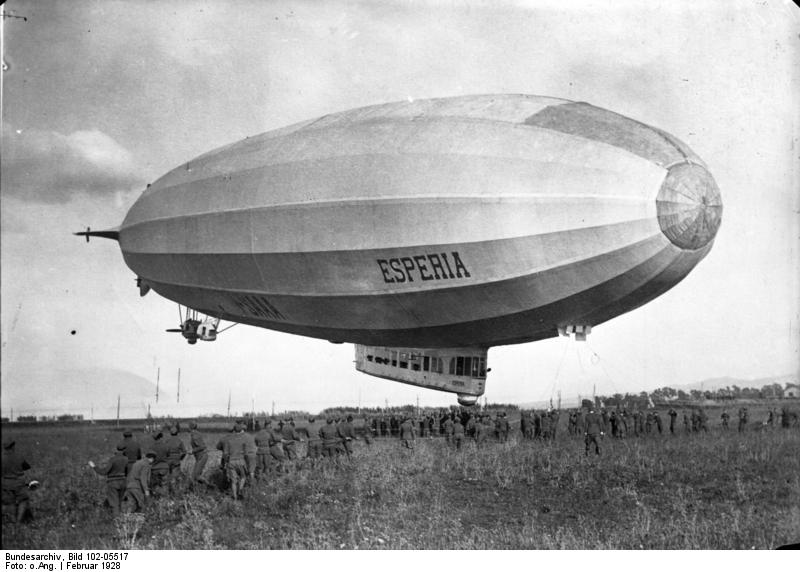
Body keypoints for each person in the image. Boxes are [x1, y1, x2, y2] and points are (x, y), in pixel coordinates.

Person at [89, 444, 128, 516]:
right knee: (120, 502)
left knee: (114, 503)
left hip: (113, 483)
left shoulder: (112, 460)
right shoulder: (126, 459)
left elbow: (104, 472)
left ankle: (117, 520)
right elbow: (128, 472)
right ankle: (121, 519)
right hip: (123, 482)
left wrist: (94, 466)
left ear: (116, 451)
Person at [2, 439, 34, 523]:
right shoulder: (19, 456)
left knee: (10, 502)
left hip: (6, 484)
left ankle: (13, 520)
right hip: (19, 483)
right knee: (23, 500)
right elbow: (27, 467)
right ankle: (19, 521)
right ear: (12, 447)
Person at [224, 421, 256, 500]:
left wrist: (226, 462)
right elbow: (246, 453)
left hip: (231, 461)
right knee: (243, 477)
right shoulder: (243, 439)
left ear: (234, 430)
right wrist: (247, 463)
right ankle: (240, 490)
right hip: (241, 461)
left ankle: (234, 497)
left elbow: (225, 454)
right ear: (241, 430)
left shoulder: (229, 440)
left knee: (233, 481)